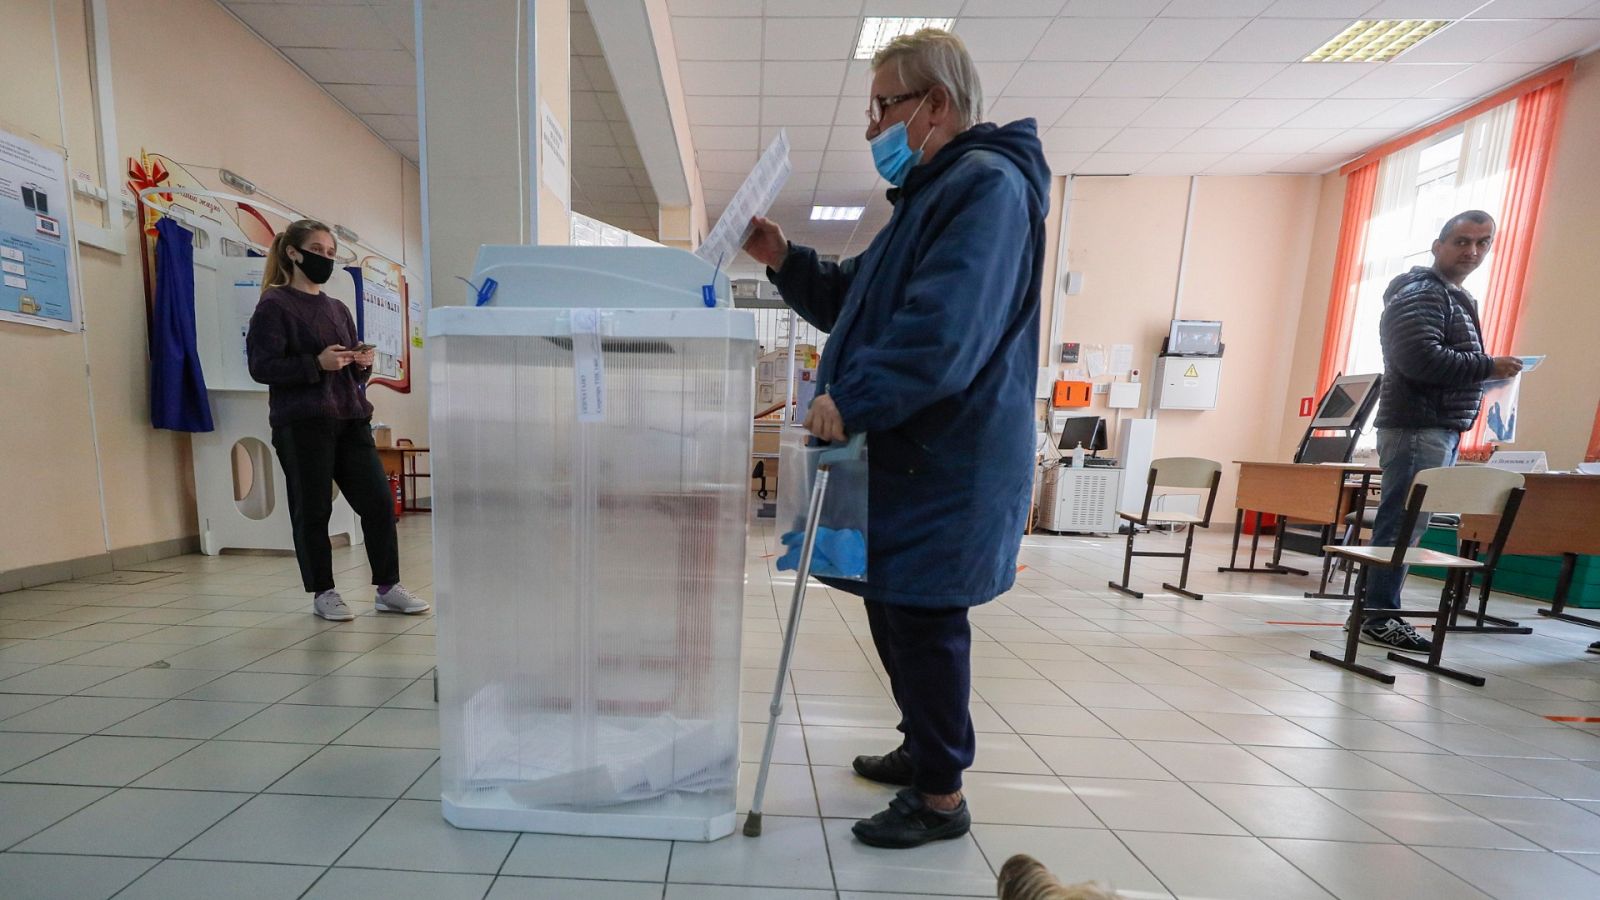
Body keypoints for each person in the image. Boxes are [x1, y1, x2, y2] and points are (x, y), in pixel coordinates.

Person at [743, 28, 1048, 849]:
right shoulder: (929, 197)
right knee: (896, 608)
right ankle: (923, 748)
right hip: (915, 460)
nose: (872, 126)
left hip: (946, 460)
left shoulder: (984, 188)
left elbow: (942, 328)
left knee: (924, 621)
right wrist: (780, 258)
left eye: (884, 107)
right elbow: (857, 300)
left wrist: (857, 396)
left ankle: (942, 796)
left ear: (935, 106)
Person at [246, 219, 429, 622]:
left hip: (350, 418)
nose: (326, 259)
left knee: (379, 503)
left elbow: (348, 371)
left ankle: (387, 587)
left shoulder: (337, 308)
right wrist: (316, 363)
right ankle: (324, 592)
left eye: (331, 253)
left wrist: (360, 363)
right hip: (303, 423)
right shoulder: (274, 305)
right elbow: (262, 367)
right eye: (318, 250)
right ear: (293, 253)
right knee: (313, 510)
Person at [1361, 210, 1522, 653]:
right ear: (1438, 246)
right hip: (1418, 425)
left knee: (1409, 524)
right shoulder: (1423, 294)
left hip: (1435, 425)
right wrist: (1489, 366)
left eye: (1483, 243)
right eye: (1462, 241)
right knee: (1403, 526)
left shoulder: (1450, 296)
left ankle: (1373, 613)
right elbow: (1419, 358)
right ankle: (1378, 616)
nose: (1472, 251)